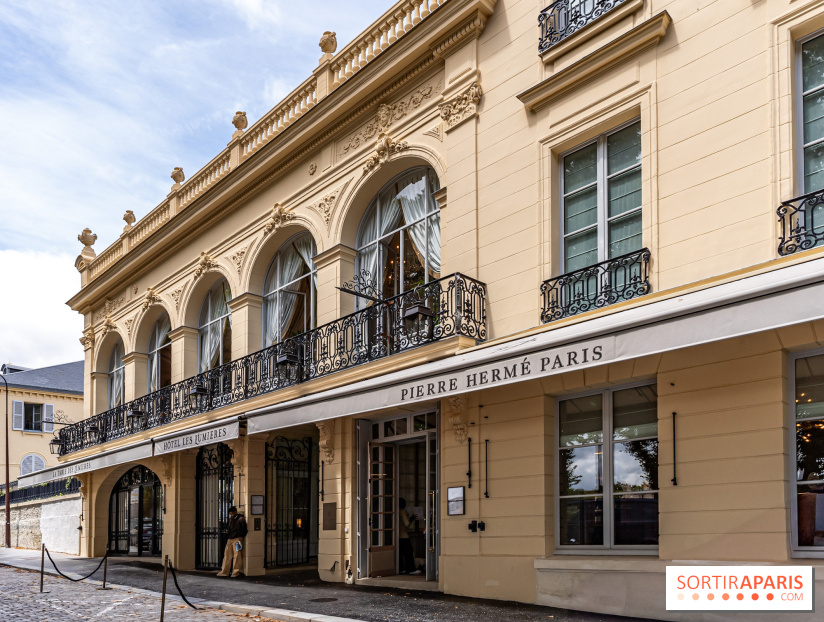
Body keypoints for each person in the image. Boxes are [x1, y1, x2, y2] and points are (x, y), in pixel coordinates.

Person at [217, 506, 247, 578]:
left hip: (237, 539)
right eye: (231, 514)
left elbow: (244, 530)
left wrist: (241, 537)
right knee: (227, 555)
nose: (232, 515)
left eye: (232, 513)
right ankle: (225, 571)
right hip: (230, 538)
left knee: (237, 556)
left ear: (235, 512)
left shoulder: (241, 519)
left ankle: (235, 572)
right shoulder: (231, 519)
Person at [398, 498, 420, 575]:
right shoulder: (402, 511)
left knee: (399, 554)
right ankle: (411, 569)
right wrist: (411, 519)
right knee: (409, 553)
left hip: (396, 536)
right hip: (404, 536)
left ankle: (400, 568)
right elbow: (406, 524)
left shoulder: (395, 511)